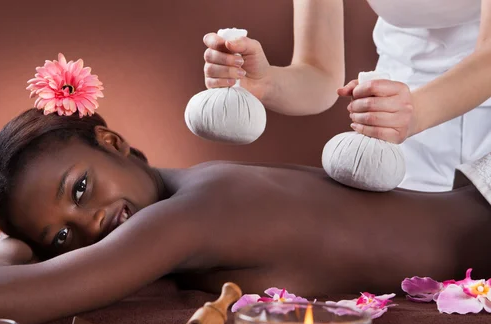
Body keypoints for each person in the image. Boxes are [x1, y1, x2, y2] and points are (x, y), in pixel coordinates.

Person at [0, 108, 491, 324]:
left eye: (81, 189)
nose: (91, 226)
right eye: (61, 236)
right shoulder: (207, 178)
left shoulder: (186, 217)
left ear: (113, 142)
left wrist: (6, 247)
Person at [202, 0, 491, 192]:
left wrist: (414, 111)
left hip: (444, 117)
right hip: (393, 128)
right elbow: (319, 75)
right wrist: (265, 83)